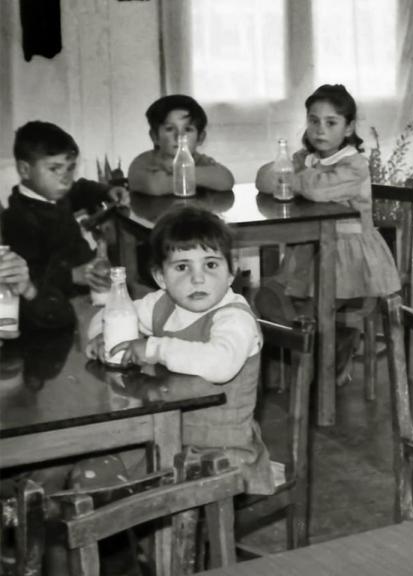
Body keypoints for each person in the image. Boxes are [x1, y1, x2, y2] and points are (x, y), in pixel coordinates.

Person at [86, 206, 274, 495]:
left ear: (231, 271)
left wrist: (154, 347)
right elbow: (108, 314)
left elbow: (220, 363)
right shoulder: (162, 303)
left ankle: (154, 534)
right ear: (161, 277)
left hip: (223, 455)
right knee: (99, 467)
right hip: (170, 440)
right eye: (182, 267)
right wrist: (103, 335)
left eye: (211, 265)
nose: (198, 279)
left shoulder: (234, 318)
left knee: (127, 489)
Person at [253, 84, 401, 377]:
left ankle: (331, 349)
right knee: (266, 297)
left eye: (331, 122)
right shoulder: (304, 159)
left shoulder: (355, 164)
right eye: (313, 120)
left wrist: (288, 178)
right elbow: (262, 179)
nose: (320, 129)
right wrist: (290, 175)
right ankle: (320, 345)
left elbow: (318, 190)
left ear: (348, 128)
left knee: (313, 305)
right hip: (311, 250)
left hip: (350, 255)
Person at [2, 121, 129, 333]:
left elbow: (81, 189)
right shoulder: (19, 220)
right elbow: (28, 276)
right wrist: (72, 275)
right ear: (25, 170)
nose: (66, 178)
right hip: (58, 307)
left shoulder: (54, 194)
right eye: (55, 169)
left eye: (70, 168)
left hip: (87, 288)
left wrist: (106, 191)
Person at [128, 94, 235, 196]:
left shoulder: (198, 160)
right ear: (155, 137)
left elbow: (226, 180)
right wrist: (198, 176)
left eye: (188, 129)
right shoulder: (143, 163)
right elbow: (154, 186)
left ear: (200, 138)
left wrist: (180, 172)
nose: (179, 136)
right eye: (169, 129)